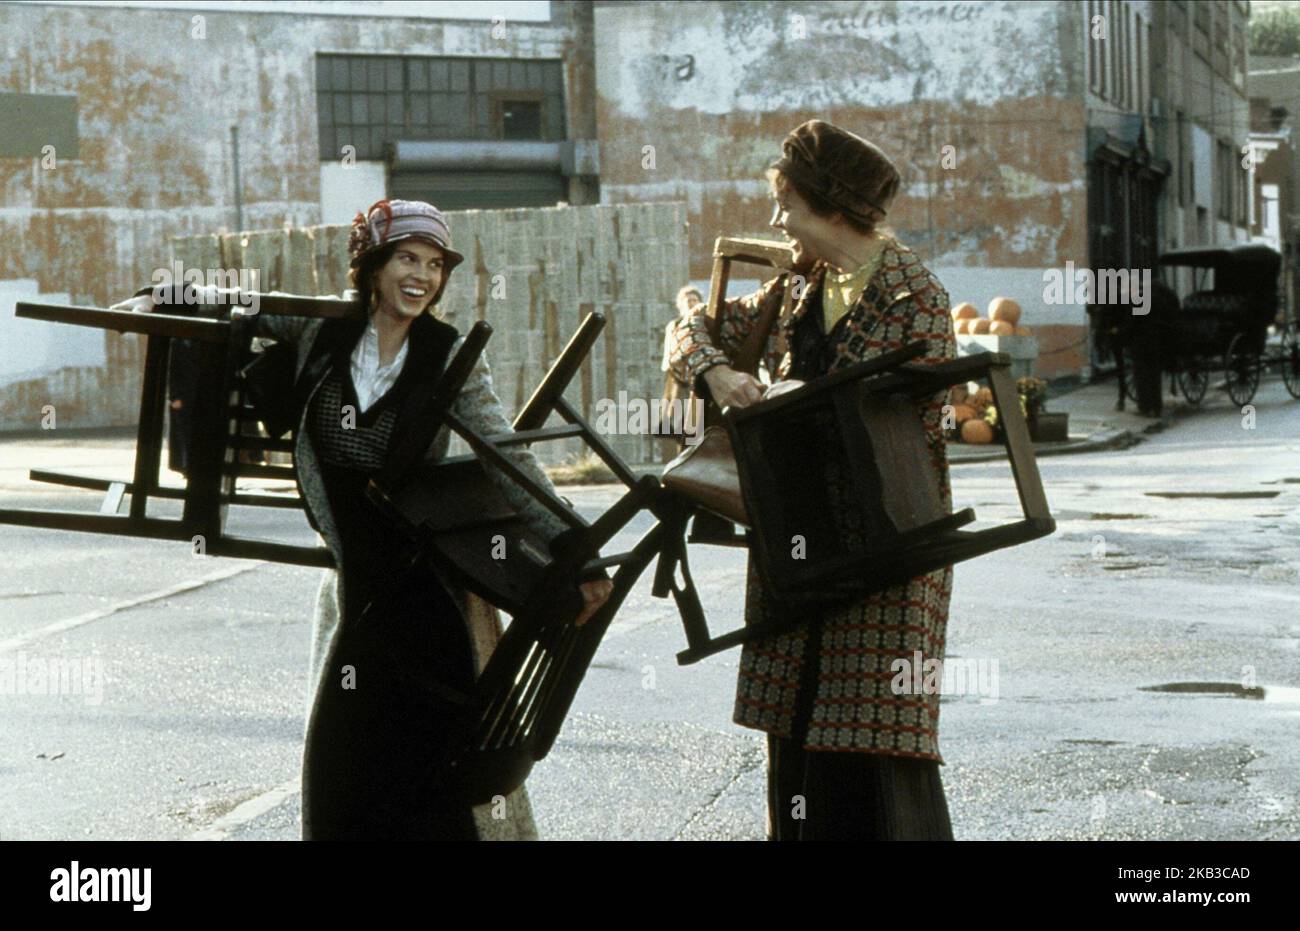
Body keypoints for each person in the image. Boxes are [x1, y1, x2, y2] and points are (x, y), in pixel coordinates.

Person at [115, 199, 612, 840]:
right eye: (408, 258)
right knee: (341, 760)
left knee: (431, 770)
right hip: (355, 581)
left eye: (435, 265)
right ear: (372, 264)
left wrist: (577, 549)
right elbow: (242, 302)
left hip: (422, 587)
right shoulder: (324, 331)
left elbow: (504, 461)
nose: (422, 277)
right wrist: (165, 295)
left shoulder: (449, 353)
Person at [667, 121, 958, 840]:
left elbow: (871, 417)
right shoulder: (800, 289)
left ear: (831, 206)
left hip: (881, 547)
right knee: (793, 734)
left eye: (786, 203)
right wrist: (720, 370)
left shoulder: (911, 295)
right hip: (798, 544)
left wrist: (775, 396)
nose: (774, 219)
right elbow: (686, 325)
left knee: (870, 748)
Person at [657, 285, 703, 457]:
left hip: (700, 377)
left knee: (699, 425)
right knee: (679, 425)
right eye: (687, 301)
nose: (691, 304)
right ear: (680, 305)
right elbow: (669, 355)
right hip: (680, 379)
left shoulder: (705, 322)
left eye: (694, 300)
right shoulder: (675, 325)